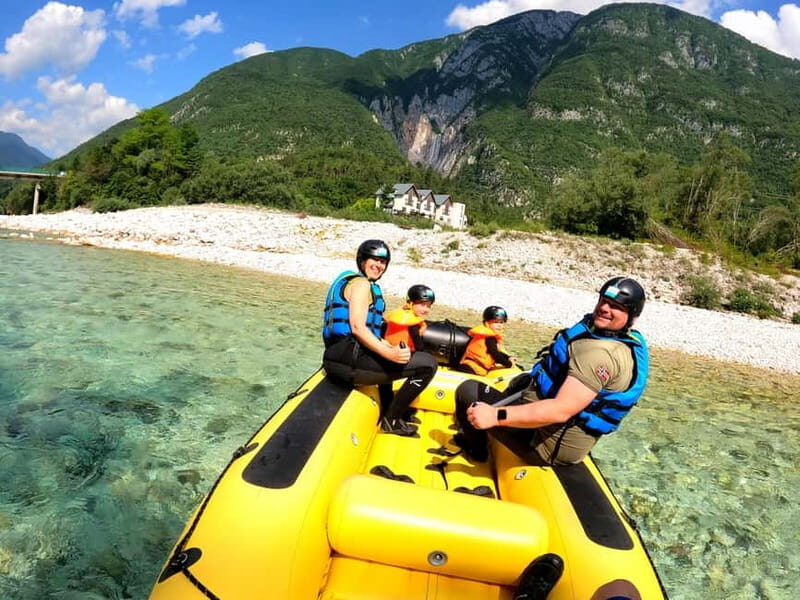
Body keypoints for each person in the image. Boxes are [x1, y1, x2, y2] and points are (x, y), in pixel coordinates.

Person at [454, 277, 649, 465]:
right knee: (521, 381)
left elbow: (560, 410)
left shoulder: (601, 355)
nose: (605, 308)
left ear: (631, 315)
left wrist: (496, 416)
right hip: (544, 421)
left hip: (545, 443)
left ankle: (477, 451)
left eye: (616, 306)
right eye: (604, 301)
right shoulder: (605, 336)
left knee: (468, 390)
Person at [322, 240, 438, 436]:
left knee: (389, 354)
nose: (379, 265)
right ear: (362, 261)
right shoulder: (361, 284)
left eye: (383, 262)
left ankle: (388, 407)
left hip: (340, 357)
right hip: (348, 361)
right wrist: (390, 354)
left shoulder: (354, 282)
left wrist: (388, 347)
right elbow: (358, 328)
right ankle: (391, 420)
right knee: (428, 364)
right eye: (374, 260)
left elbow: (367, 331)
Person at [458, 305, 516, 375]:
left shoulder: (488, 336)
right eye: (495, 322)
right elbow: (495, 355)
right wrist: (509, 364)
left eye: (501, 322)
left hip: (474, 366)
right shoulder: (489, 338)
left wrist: (508, 357)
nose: (499, 325)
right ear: (487, 322)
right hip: (471, 368)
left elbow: (493, 352)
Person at [383, 284, 436, 352]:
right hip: (403, 353)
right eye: (422, 305)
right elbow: (418, 346)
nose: (426, 309)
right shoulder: (412, 323)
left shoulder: (398, 313)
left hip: (389, 348)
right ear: (410, 303)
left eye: (428, 306)